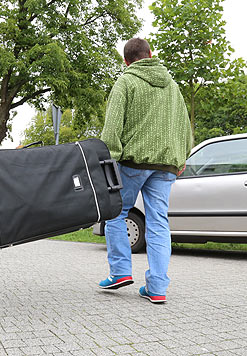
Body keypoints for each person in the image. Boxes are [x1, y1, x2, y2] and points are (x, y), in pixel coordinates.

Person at [98, 38, 192, 303]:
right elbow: (184, 124)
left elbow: (112, 127)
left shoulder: (126, 81)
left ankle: (120, 272)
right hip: (166, 165)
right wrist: (182, 156)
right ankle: (158, 288)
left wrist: (108, 159)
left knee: (115, 213)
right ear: (151, 54)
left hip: (133, 162)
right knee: (159, 222)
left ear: (126, 61)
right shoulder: (172, 86)